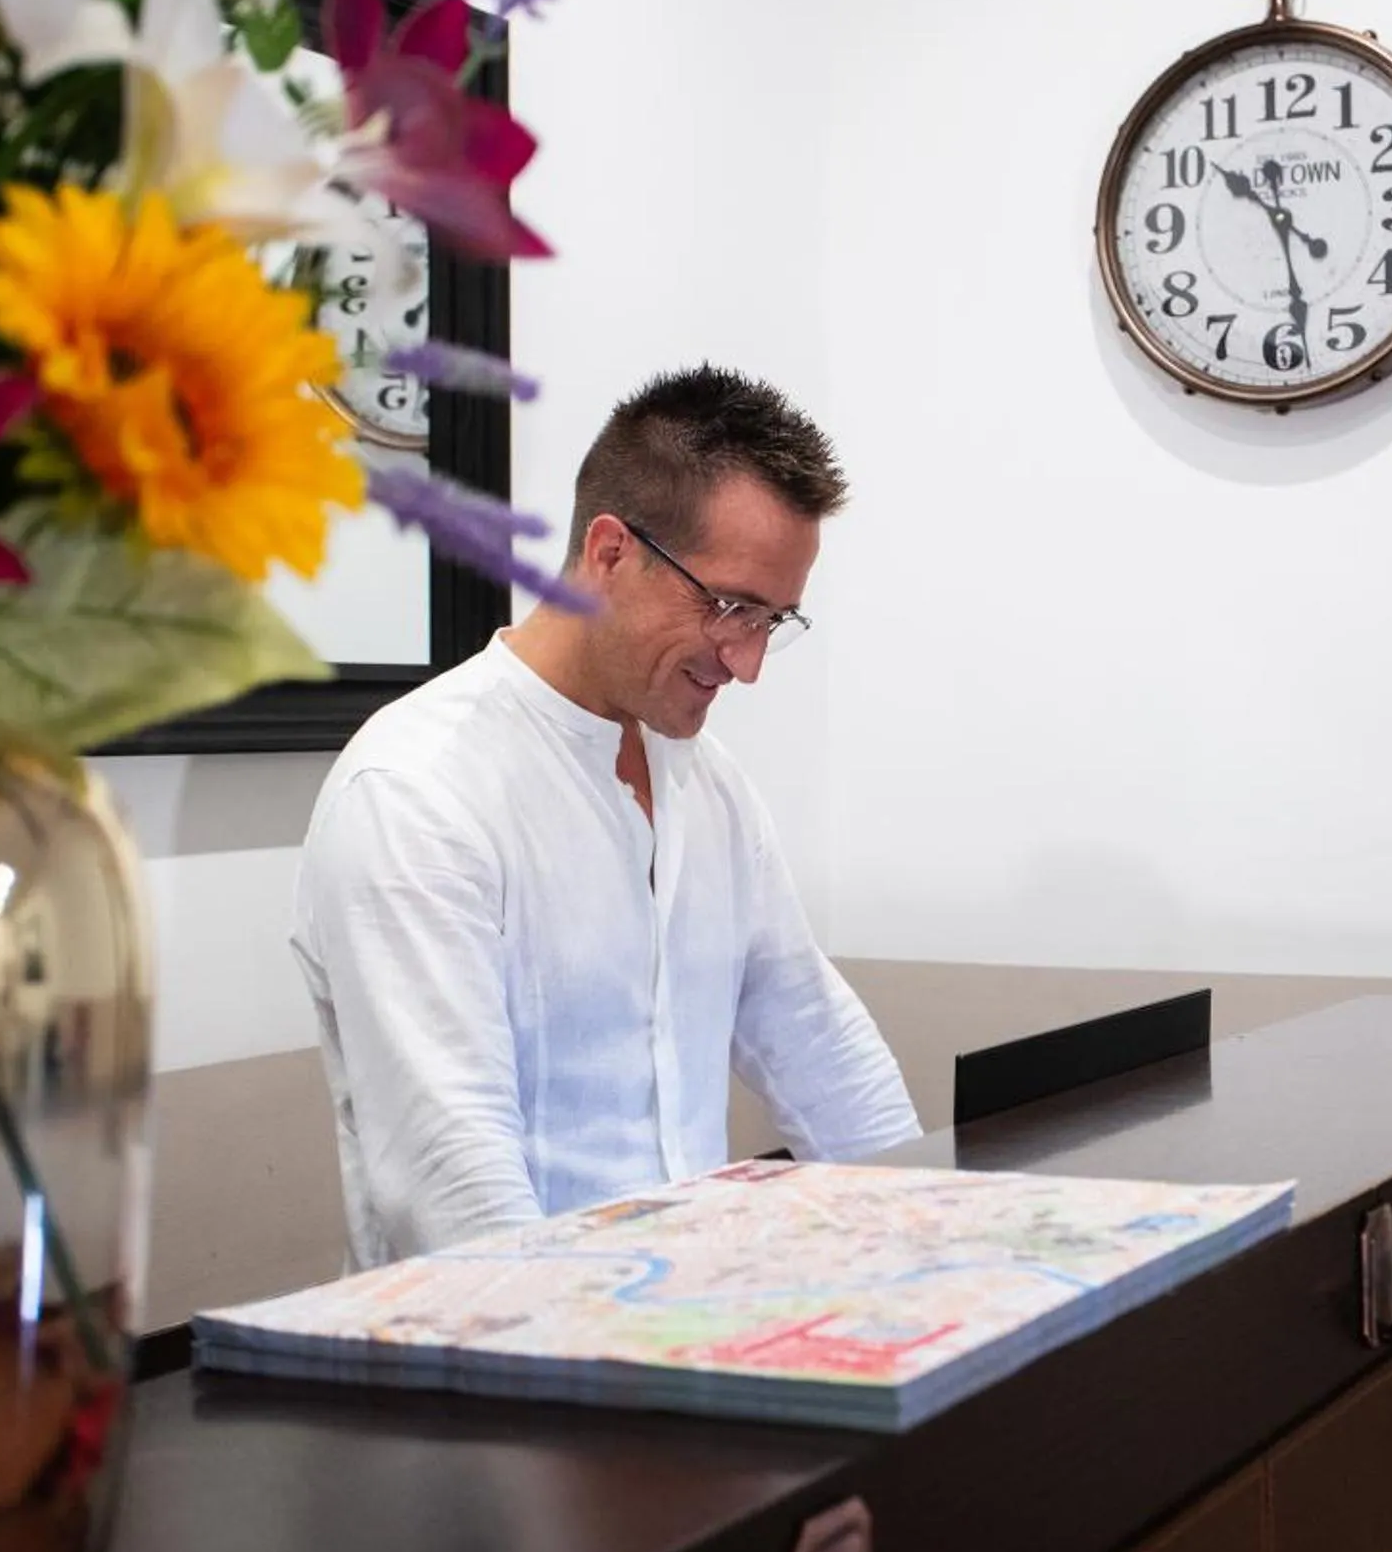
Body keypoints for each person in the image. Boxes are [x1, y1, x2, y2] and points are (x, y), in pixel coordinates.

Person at [290, 366, 920, 1267]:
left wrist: (937, 1251)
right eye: (731, 607)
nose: (748, 664)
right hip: (500, 1364)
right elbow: (451, 1182)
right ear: (611, 552)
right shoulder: (416, 793)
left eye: (774, 620)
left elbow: (817, 1043)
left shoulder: (709, 788)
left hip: (686, 1328)